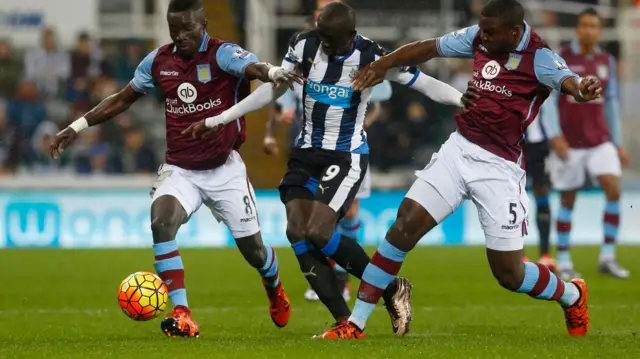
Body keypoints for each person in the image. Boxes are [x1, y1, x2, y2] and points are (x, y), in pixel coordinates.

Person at [322, 0, 604, 339]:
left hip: (499, 168)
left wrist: (582, 88)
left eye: (490, 32)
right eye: (481, 30)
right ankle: (356, 324)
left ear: (514, 33)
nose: (482, 37)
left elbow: (570, 81)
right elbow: (428, 48)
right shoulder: (479, 37)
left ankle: (572, 295)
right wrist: (384, 63)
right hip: (459, 150)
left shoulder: (540, 58)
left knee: (509, 275)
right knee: (404, 225)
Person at [183, 2, 465, 337]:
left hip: (345, 157)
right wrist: (220, 119)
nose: (325, 47)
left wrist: (463, 101)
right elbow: (274, 91)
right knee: (296, 232)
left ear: (351, 36)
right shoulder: (304, 45)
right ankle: (347, 320)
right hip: (306, 153)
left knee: (318, 230)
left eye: (331, 42)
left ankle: (389, 289)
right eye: (322, 39)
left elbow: (424, 83)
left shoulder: (372, 56)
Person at [48, 0, 302, 338]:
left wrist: (272, 73)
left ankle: (273, 285)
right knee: (161, 221)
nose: (180, 36)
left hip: (224, 169)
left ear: (204, 24)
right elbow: (123, 98)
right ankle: (182, 312)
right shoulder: (158, 61)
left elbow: (255, 69)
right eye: (174, 30)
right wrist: (76, 126)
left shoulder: (222, 54)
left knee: (254, 251)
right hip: (180, 169)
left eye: (187, 29)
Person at [265, 79, 393, 302]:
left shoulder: (357, 66)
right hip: (310, 153)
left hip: (350, 149)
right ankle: (327, 278)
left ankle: (343, 279)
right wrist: (271, 131)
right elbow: (277, 107)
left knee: (350, 213)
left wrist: (362, 125)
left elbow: (378, 105)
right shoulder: (297, 72)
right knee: (317, 217)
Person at [544, 8, 630, 281]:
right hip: (570, 141)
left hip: (599, 140)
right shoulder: (561, 59)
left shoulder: (606, 60)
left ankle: (607, 256)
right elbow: (549, 101)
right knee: (568, 198)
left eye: (595, 26)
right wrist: (555, 135)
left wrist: (617, 143)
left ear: (599, 30)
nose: (590, 30)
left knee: (613, 188)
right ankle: (565, 258)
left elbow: (612, 103)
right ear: (578, 29)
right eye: (585, 25)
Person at [522, 112, 555, 270]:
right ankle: (518, 253)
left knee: (542, 192)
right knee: (513, 195)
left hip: (539, 143)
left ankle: (545, 254)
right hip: (514, 143)